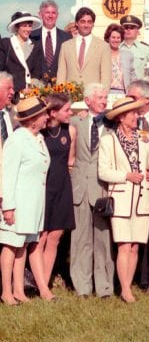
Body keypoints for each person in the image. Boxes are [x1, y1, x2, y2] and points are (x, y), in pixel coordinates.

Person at [0, 97, 55, 304]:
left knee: (23, 246)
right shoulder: (16, 140)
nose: (47, 117)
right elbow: (7, 175)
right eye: (43, 114)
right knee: (10, 245)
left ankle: (18, 290)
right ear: (33, 119)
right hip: (18, 203)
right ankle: (6, 291)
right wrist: (8, 207)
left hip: (33, 204)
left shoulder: (38, 138)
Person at [99, 97, 149, 303]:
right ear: (121, 117)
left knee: (135, 246)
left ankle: (127, 287)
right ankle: (124, 289)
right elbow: (103, 171)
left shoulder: (144, 138)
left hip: (142, 198)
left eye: (137, 113)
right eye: (132, 113)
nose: (136, 116)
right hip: (121, 199)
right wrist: (126, 176)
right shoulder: (108, 140)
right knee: (124, 244)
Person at [69, 82, 115, 298]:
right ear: (87, 101)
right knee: (80, 239)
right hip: (80, 188)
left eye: (105, 98)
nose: (104, 101)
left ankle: (104, 287)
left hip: (102, 190)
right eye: (100, 98)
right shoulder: (75, 121)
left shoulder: (111, 123)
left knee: (103, 240)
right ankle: (82, 287)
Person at [32, 93, 77, 288]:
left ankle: (46, 283)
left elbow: (70, 162)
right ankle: (37, 283)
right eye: (67, 110)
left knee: (55, 237)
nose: (71, 113)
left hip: (62, 188)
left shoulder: (71, 131)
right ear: (52, 112)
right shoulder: (38, 133)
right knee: (40, 237)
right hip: (43, 189)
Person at [126, 80, 149, 290]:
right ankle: (131, 278)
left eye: (133, 97)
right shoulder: (125, 117)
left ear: (147, 100)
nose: (128, 100)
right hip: (130, 183)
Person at [57, 7, 112, 90]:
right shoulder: (66, 46)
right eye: (82, 22)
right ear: (76, 23)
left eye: (89, 22)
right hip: (70, 96)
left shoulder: (103, 46)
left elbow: (106, 77)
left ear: (93, 24)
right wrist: (60, 96)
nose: (86, 25)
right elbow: (61, 74)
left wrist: (102, 96)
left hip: (94, 97)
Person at [0, 12, 43, 104]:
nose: (28, 29)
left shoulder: (36, 45)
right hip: (11, 95)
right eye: (24, 26)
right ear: (16, 27)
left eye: (29, 26)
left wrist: (31, 88)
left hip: (30, 95)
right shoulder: (6, 44)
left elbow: (37, 71)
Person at [30, 0, 73, 82]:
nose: (50, 16)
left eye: (53, 13)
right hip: (36, 88)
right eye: (47, 12)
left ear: (57, 15)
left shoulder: (67, 38)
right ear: (40, 14)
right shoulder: (32, 37)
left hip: (59, 87)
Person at [104, 23, 136, 94]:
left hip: (123, 92)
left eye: (118, 37)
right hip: (106, 92)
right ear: (108, 38)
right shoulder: (102, 54)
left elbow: (132, 76)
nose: (116, 40)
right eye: (113, 37)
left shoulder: (128, 55)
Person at [119, 15, 149, 79]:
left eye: (132, 28)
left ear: (138, 31)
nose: (128, 30)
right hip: (120, 87)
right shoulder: (116, 48)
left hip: (139, 86)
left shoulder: (145, 49)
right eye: (126, 27)